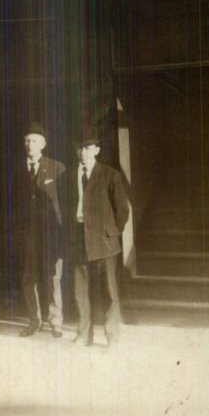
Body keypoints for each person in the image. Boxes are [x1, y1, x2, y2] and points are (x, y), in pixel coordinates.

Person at [70, 125, 129, 347]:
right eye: (80, 149)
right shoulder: (71, 175)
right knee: (80, 291)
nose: (83, 153)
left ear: (96, 150)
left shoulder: (109, 175)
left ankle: (112, 336)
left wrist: (111, 233)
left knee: (108, 290)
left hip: (104, 242)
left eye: (87, 148)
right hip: (79, 239)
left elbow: (122, 210)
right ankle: (83, 334)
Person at [15, 122, 66, 338]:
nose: (30, 144)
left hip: (52, 233)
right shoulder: (15, 170)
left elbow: (66, 202)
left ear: (43, 144)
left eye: (34, 140)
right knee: (29, 278)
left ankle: (56, 322)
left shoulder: (57, 168)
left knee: (53, 278)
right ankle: (34, 321)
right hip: (27, 235)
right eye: (27, 140)